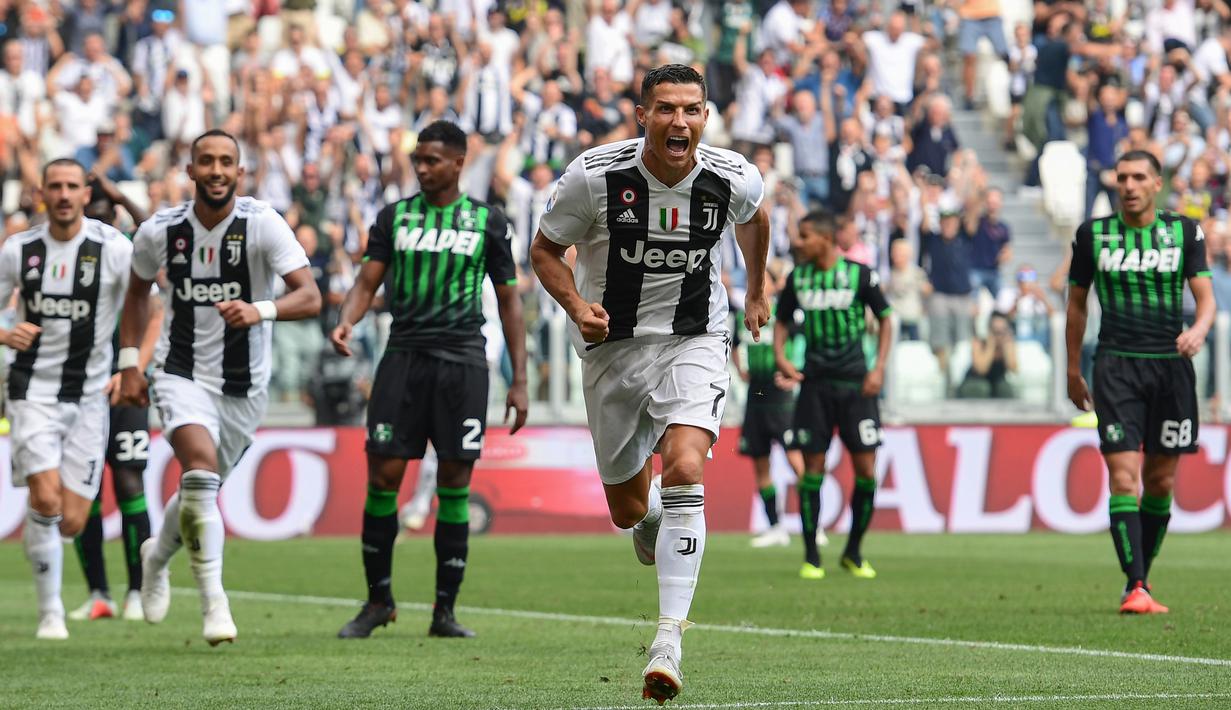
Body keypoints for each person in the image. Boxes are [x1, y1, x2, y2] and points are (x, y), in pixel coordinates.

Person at [529, 64, 771, 704]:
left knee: (686, 465)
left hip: (696, 338)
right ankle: (654, 518)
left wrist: (757, 288)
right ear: (643, 116)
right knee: (629, 510)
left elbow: (754, 218)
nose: (678, 121)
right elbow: (544, 251)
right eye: (665, 109)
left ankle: (668, 640)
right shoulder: (594, 176)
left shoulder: (733, 176)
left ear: (706, 117)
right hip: (612, 348)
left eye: (691, 110)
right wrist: (577, 308)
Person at [118, 129, 321, 645]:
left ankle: (155, 558)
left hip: (245, 385)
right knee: (201, 470)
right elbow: (137, 291)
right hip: (179, 371)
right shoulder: (161, 231)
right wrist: (129, 364)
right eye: (205, 161)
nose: (215, 170)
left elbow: (310, 296)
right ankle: (214, 603)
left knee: (199, 488)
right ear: (190, 170)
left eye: (225, 162)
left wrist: (260, 310)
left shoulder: (262, 223)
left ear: (240, 172)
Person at [331, 120, 528, 640]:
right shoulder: (393, 217)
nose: (421, 167)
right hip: (403, 358)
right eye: (418, 159)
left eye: (432, 160)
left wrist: (520, 379)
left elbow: (510, 301)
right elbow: (366, 282)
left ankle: (445, 611)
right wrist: (347, 319)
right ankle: (378, 602)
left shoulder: (487, 221)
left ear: (459, 163)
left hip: (463, 363)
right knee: (383, 477)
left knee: (455, 482)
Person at [1066, 150, 1215, 614]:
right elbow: (1076, 305)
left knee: (1161, 480)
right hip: (1116, 366)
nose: (1128, 186)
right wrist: (1072, 369)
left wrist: (1198, 330)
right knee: (1123, 477)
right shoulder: (1092, 235)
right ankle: (1136, 585)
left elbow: (1206, 298)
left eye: (1138, 177)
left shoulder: (1184, 231)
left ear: (1156, 183)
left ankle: (1141, 581)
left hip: (1171, 368)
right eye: (1122, 177)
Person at [0, 158, 134, 639]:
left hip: (90, 396)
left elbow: (148, 303)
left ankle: (44, 547)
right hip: (31, 389)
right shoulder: (19, 249)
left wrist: (132, 363)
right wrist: (4, 334)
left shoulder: (112, 248)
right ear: (41, 193)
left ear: (84, 194)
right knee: (46, 496)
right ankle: (50, 611)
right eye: (54, 186)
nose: (62, 194)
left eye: (71, 186)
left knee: (72, 520)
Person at [774, 210, 892, 581]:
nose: (798, 242)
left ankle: (854, 551)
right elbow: (781, 320)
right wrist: (781, 357)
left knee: (866, 471)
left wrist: (878, 368)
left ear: (825, 238)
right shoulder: (798, 278)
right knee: (813, 470)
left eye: (805, 236)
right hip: (815, 386)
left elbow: (886, 318)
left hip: (857, 385)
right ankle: (812, 556)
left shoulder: (860, 274)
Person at [68, 174, 163, 623]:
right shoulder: (67, 254)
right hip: (78, 388)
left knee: (128, 483)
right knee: (83, 488)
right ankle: (98, 594)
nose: (101, 222)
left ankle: (138, 591)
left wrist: (132, 370)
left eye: (109, 213)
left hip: (124, 387)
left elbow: (155, 314)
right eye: (96, 214)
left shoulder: (127, 251)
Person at [731, 267, 808, 549]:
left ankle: (813, 523)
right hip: (756, 394)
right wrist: (740, 368)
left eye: (765, 282)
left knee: (796, 460)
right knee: (760, 462)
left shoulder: (785, 315)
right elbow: (734, 344)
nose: (760, 286)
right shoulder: (741, 316)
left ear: (776, 286)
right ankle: (775, 526)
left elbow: (803, 342)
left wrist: (795, 372)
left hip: (781, 396)